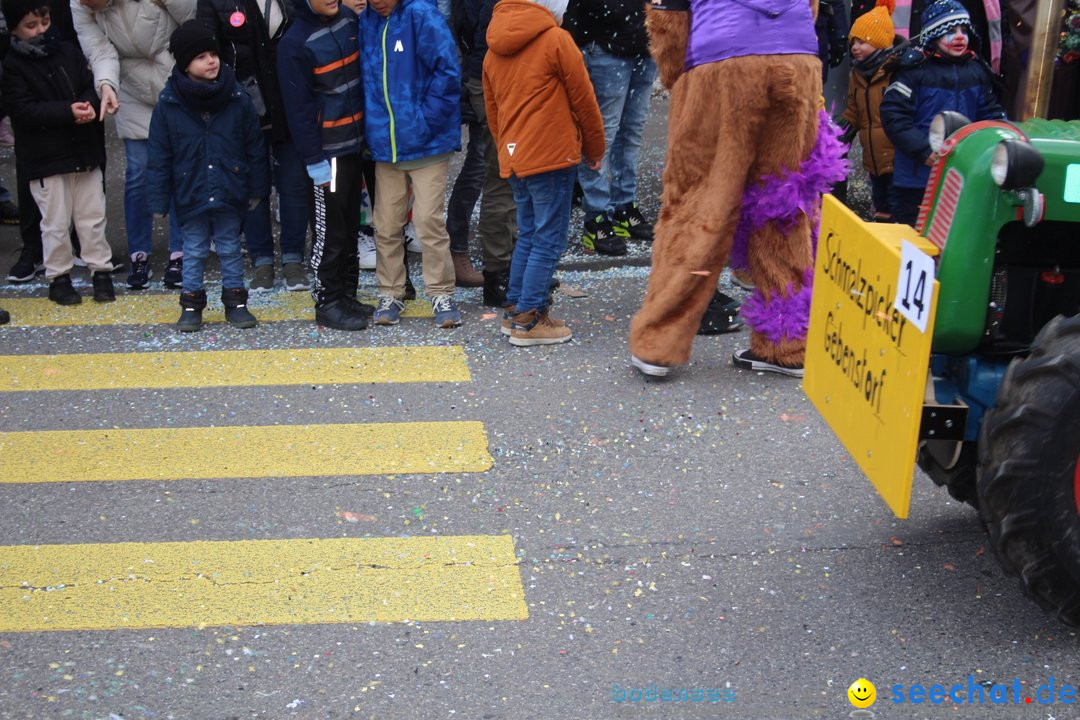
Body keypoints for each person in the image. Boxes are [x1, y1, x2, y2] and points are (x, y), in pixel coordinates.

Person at [483, 0, 603, 345]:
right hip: (551, 153)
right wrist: (594, 148)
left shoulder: (493, 51)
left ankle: (516, 310)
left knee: (530, 233)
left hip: (515, 155)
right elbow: (584, 99)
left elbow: (494, 114)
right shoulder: (556, 39)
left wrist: (509, 151)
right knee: (548, 239)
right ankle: (530, 319)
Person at [147, 20, 269, 331]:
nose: (211, 61)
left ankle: (236, 302)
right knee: (194, 249)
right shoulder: (169, 103)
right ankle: (191, 305)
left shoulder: (237, 97)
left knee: (229, 245)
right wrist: (158, 198)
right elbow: (160, 154)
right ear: (185, 64)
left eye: (213, 54)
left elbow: (254, 145)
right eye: (201, 57)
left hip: (230, 184)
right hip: (191, 188)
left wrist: (257, 188)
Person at [72, 0, 196, 290]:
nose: (90, 5)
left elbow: (191, 15)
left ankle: (180, 252)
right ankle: (139, 253)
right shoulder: (80, 5)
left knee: (181, 170)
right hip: (130, 84)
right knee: (138, 172)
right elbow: (100, 49)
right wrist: (106, 86)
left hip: (175, 74)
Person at [1, 0, 116, 305]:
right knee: (54, 221)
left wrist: (89, 104)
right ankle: (59, 276)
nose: (40, 30)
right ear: (14, 28)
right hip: (44, 159)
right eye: (31, 25)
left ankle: (100, 271)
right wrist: (69, 112)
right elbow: (24, 110)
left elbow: (88, 83)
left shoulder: (67, 50)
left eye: (44, 22)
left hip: (82, 151)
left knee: (92, 216)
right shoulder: (12, 66)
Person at [360, 0, 463, 329]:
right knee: (386, 224)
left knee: (428, 221)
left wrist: (423, 122)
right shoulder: (366, 22)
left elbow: (447, 71)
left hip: (426, 143)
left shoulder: (421, 14)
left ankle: (441, 292)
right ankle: (391, 291)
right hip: (386, 145)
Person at [198, 0, 311, 293]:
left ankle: (292, 257)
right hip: (242, 104)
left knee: (294, 183)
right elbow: (211, 48)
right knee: (252, 187)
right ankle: (262, 260)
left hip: (290, 98)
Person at [277, 0, 369, 330]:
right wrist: (313, 160)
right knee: (330, 231)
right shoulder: (294, 43)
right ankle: (327, 302)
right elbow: (298, 111)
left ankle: (346, 294)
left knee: (349, 225)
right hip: (326, 154)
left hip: (354, 146)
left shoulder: (348, 20)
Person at [881, 0, 1006, 226]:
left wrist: (1001, 137)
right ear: (933, 35)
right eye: (950, 31)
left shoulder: (977, 71)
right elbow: (894, 116)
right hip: (916, 178)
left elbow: (990, 114)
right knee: (913, 236)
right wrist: (923, 149)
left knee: (954, 235)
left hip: (962, 177)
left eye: (963, 30)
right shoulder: (914, 71)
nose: (959, 37)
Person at [563, 0, 655, 256]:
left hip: (645, 42)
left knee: (631, 132)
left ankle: (624, 203)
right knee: (601, 135)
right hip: (604, 42)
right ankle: (597, 215)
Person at [841, 0, 902, 221]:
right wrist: (840, 130)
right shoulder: (858, 75)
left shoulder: (895, 72)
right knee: (881, 209)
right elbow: (854, 111)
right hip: (873, 161)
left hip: (896, 160)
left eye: (862, 41)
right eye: (852, 42)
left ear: (879, 42)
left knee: (899, 210)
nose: (854, 47)